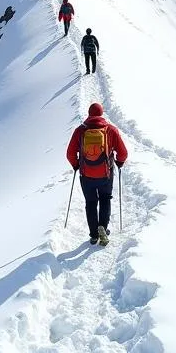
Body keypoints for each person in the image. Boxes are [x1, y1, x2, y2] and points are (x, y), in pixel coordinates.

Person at [66, 102, 128, 246]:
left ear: (89, 114)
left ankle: (94, 234)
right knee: (105, 199)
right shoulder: (111, 130)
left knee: (91, 202)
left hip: (86, 175)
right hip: (105, 174)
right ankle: (103, 228)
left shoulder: (80, 131)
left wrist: (76, 165)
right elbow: (123, 153)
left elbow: (70, 153)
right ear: (101, 114)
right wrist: (120, 163)